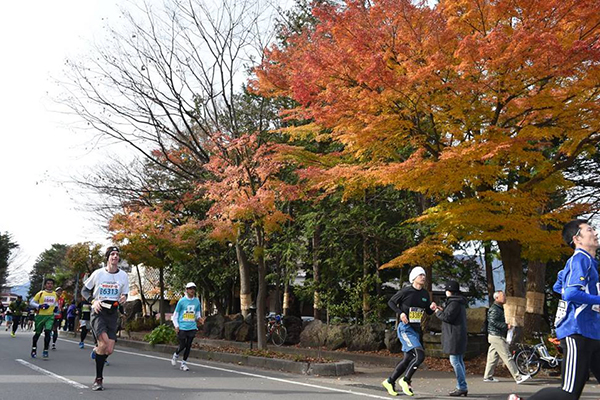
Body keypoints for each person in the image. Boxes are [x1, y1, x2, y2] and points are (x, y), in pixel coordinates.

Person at [509, 220, 600, 400]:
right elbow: (571, 293)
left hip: (593, 333)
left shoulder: (587, 262)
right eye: (590, 230)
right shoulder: (580, 259)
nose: (595, 233)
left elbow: (559, 287)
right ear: (577, 239)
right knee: (568, 393)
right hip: (578, 332)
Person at [382, 266, 436, 397]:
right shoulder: (406, 291)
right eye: (420, 275)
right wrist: (400, 313)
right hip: (405, 328)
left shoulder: (424, 294)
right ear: (414, 278)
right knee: (419, 355)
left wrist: (432, 308)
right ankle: (406, 380)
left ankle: (390, 381)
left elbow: (427, 311)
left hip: (417, 329)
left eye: (424, 275)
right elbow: (391, 302)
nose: (423, 277)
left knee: (408, 359)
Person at [81, 246, 129, 391]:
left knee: (109, 349)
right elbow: (84, 290)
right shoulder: (98, 273)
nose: (115, 257)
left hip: (113, 312)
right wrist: (93, 301)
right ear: (108, 257)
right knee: (104, 344)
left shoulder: (123, 276)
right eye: (112, 254)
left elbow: (125, 294)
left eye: (117, 254)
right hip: (99, 310)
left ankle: (96, 351)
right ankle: (98, 380)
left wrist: (123, 298)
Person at [483, 290, 530, 384]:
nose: (505, 297)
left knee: (492, 357)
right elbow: (492, 321)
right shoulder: (495, 309)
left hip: (494, 335)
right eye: (503, 296)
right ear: (497, 298)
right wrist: (505, 326)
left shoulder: (498, 307)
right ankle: (518, 377)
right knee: (507, 356)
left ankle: (488, 376)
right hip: (496, 336)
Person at [431, 281, 468, 397]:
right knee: (459, 360)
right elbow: (449, 314)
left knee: (455, 361)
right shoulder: (458, 302)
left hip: (454, 336)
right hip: (458, 335)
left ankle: (462, 386)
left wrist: (437, 311)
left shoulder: (454, 303)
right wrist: (441, 310)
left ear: (449, 291)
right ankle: (462, 386)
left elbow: (448, 317)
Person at [171, 282, 202, 371]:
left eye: (193, 288)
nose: (192, 290)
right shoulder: (181, 301)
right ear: (187, 290)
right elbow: (175, 315)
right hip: (182, 327)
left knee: (188, 346)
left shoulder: (197, 301)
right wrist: (176, 326)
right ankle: (175, 355)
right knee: (183, 345)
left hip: (192, 327)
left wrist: (200, 319)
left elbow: (197, 313)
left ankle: (183, 363)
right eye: (190, 288)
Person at [30, 278, 59, 358]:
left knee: (48, 332)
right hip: (40, 316)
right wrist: (40, 306)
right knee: (38, 334)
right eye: (48, 283)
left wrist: (56, 307)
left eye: (51, 284)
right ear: (45, 285)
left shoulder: (55, 294)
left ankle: (46, 349)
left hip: (50, 316)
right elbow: (32, 302)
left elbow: (56, 303)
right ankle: (34, 348)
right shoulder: (40, 293)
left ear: (53, 285)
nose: (50, 285)